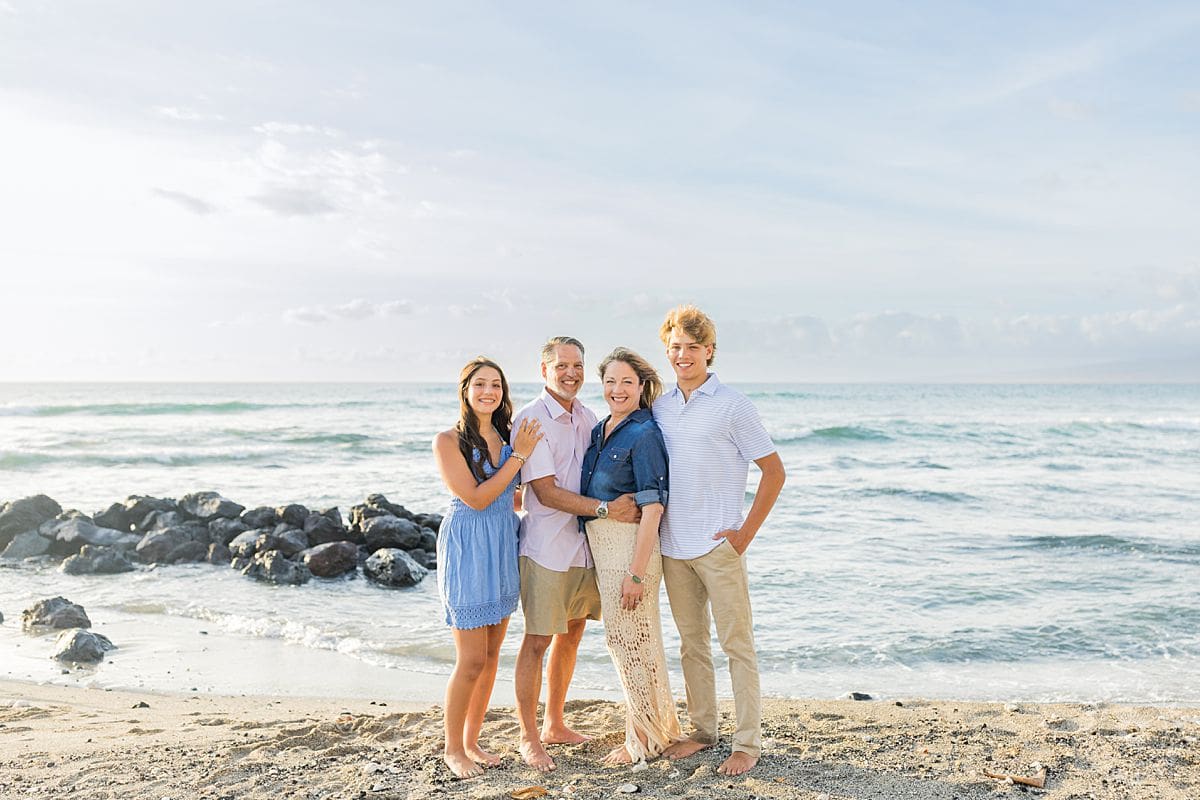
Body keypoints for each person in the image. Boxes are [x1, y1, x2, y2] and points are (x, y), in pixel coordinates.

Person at [653, 305, 787, 777]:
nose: (684, 356)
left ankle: (747, 742)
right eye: (676, 349)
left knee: (737, 644)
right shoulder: (660, 406)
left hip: (718, 546)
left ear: (709, 351)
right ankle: (704, 731)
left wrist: (744, 534)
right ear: (667, 352)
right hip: (672, 546)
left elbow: (774, 472)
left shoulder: (733, 405)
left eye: (693, 348)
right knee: (691, 643)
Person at [511, 336, 642, 772]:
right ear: (544, 369)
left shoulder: (589, 417)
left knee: (571, 636)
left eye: (578, 366)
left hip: (584, 550)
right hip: (545, 548)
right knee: (537, 642)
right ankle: (529, 737)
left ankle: (554, 723)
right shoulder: (531, 419)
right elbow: (545, 493)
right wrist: (607, 509)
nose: (571, 373)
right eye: (562, 365)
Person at [432, 357, 545, 779]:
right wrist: (519, 458)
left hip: (501, 541)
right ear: (465, 390)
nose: (489, 391)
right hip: (468, 546)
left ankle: (473, 740)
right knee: (470, 660)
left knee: (493, 653)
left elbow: (506, 500)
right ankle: (453, 747)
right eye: (480, 384)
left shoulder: (504, 435)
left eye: (496, 384)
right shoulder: (447, 441)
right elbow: (477, 498)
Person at [579, 347, 684, 765]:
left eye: (626, 382)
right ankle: (656, 727)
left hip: (630, 552)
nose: (617, 390)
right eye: (610, 382)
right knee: (627, 642)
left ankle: (642, 738)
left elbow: (654, 508)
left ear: (642, 387)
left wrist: (636, 574)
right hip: (605, 551)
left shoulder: (645, 434)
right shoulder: (601, 429)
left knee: (632, 642)